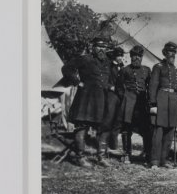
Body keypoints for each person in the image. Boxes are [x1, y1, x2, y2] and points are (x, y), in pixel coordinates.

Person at [64, 39, 111, 167]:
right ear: (93, 47)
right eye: (99, 47)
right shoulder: (85, 59)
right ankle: (80, 157)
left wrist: (109, 87)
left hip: (101, 100)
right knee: (82, 126)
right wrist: (77, 82)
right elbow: (66, 68)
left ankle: (101, 157)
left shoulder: (107, 62)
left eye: (104, 47)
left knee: (102, 127)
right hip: (86, 99)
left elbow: (108, 79)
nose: (102, 50)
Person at [148, 42, 177, 168]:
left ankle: (163, 160)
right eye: (170, 51)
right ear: (165, 53)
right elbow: (153, 86)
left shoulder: (176, 69)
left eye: (174, 52)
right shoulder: (158, 67)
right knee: (158, 132)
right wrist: (153, 104)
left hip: (173, 101)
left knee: (170, 132)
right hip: (161, 99)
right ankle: (154, 161)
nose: (172, 54)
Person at [118, 45, 151, 165]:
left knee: (146, 129)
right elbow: (119, 88)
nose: (136, 58)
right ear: (131, 57)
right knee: (127, 129)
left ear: (142, 57)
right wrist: (125, 98)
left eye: (139, 56)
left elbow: (150, 87)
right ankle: (127, 154)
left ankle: (147, 153)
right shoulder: (124, 70)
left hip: (142, 104)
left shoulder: (147, 70)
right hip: (129, 104)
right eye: (134, 56)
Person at [97, 46, 125, 159]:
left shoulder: (122, 67)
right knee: (107, 121)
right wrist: (110, 87)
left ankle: (112, 146)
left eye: (121, 55)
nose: (120, 58)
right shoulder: (108, 66)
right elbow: (103, 80)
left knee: (117, 122)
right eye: (118, 56)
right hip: (111, 95)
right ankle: (101, 151)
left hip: (120, 97)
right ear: (114, 56)